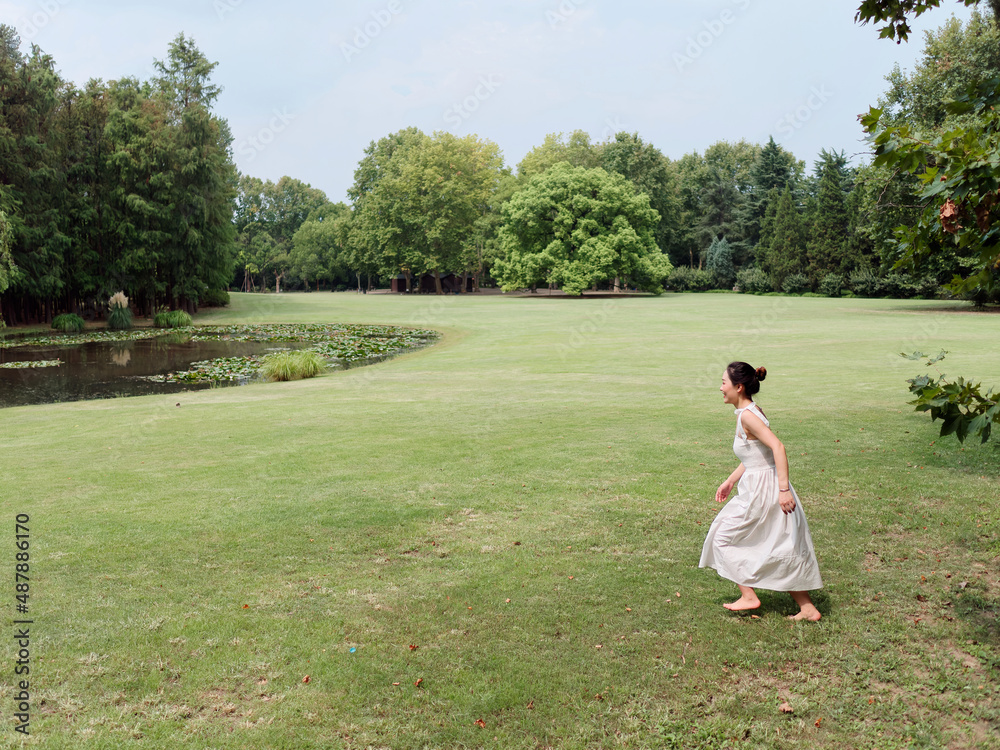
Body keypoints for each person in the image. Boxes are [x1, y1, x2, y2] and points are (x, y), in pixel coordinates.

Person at [699, 362, 823, 621]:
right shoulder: (750, 411)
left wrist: (784, 490)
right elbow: (757, 456)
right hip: (763, 485)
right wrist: (731, 480)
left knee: (721, 536)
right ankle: (808, 609)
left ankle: (748, 595)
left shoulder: (747, 416)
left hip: (764, 491)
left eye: (724, 383)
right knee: (778, 544)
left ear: (739, 387)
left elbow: (778, 447)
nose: (720, 388)